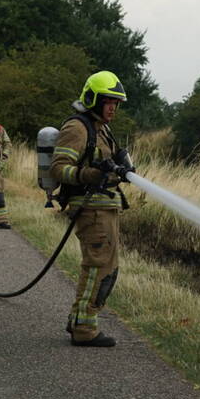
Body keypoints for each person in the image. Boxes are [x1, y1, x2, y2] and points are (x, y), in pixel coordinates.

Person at [49, 70, 133, 347]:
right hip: (90, 208)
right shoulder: (78, 127)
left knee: (107, 267)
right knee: (98, 267)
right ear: (93, 99)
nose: (113, 108)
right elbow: (59, 169)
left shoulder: (101, 128)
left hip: (105, 206)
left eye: (116, 103)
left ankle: (80, 320)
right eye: (109, 102)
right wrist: (88, 175)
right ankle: (84, 328)